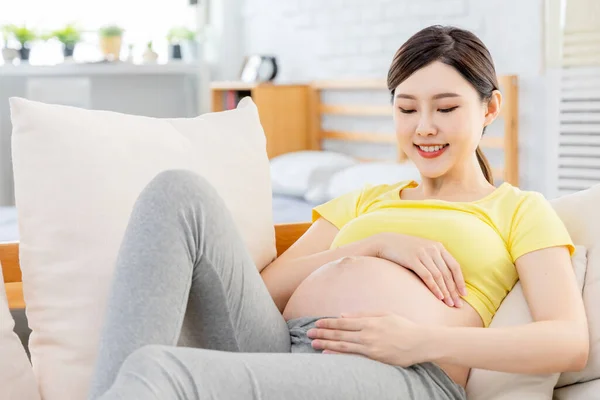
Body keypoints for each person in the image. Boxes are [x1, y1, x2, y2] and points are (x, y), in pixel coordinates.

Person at [88, 25, 589, 400]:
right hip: (282, 343)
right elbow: (264, 290)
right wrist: (374, 243)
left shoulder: (519, 209)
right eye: (407, 108)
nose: (424, 128)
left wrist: (418, 341)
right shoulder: (366, 200)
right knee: (177, 190)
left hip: (405, 370)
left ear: (490, 108)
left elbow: (567, 342)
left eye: (447, 108)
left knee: (161, 372)